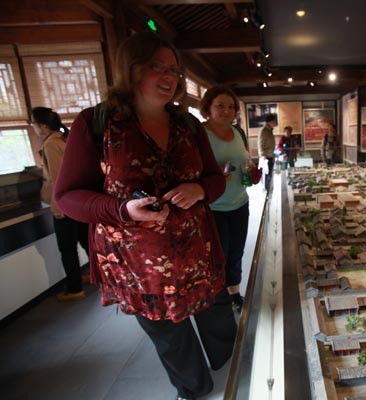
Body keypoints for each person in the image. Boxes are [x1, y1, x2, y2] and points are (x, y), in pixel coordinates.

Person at [54, 32, 234, 400]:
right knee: (171, 337)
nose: (170, 77)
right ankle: (196, 391)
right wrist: (121, 210)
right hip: (138, 264)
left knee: (218, 320)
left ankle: (234, 369)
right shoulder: (96, 122)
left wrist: (199, 190)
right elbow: (67, 196)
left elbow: (215, 179)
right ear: (131, 69)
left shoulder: (188, 125)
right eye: (158, 67)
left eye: (174, 70)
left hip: (197, 254)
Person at [200, 85, 261, 312]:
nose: (226, 111)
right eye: (220, 106)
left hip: (240, 202)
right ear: (208, 107)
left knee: (236, 251)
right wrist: (214, 175)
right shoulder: (200, 134)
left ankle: (234, 293)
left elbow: (245, 159)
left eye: (231, 107)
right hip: (213, 207)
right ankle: (219, 299)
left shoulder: (238, 132)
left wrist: (252, 171)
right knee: (219, 256)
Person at [31, 107, 89, 302]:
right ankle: (100, 277)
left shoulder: (51, 144)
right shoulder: (64, 139)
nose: (32, 127)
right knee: (85, 241)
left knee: (67, 248)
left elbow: (57, 178)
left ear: (43, 126)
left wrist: (57, 207)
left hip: (64, 205)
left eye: (33, 123)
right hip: (77, 201)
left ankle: (74, 288)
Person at [258, 114, 276, 190]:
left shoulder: (269, 130)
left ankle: (269, 187)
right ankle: (267, 189)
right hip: (266, 156)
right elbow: (260, 143)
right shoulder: (264, 130)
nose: (275, 123)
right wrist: (263, 154)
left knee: (270, 173)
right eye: (274, 121)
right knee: (267, 173)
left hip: (270, 155)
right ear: (270, 122)